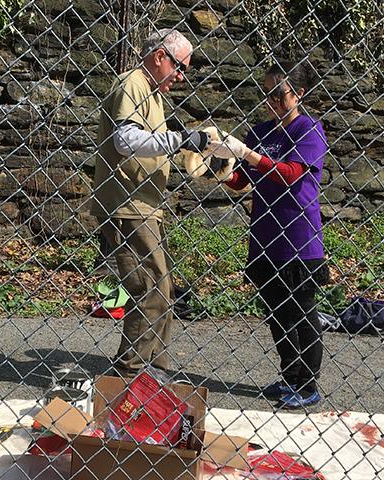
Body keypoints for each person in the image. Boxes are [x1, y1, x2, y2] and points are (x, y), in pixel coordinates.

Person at [92, 29, 219, 377]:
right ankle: (130, 372)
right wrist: (181, 139)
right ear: (159, 56)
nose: (181, 76)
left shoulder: (152, 92)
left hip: (145, 205)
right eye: (179, 66)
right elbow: (125, 140)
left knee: (161, 288)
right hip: (127, 204)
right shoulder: (132, 83)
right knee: (150, 288)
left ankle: (154, 368)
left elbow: (148, 141)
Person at [208, 60, 330, 408]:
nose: (271, 100)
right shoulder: (260, 132)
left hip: (298, 237)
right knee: (276, 311)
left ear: (299, 94)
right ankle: (290, 375)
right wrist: (215, 170)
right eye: (267, 93)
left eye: (279, 93)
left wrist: (250, 155)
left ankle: (307, 384)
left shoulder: (309, 129)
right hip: (265, 236)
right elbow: (242, 181)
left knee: (300, 310)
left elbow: (292, 173)